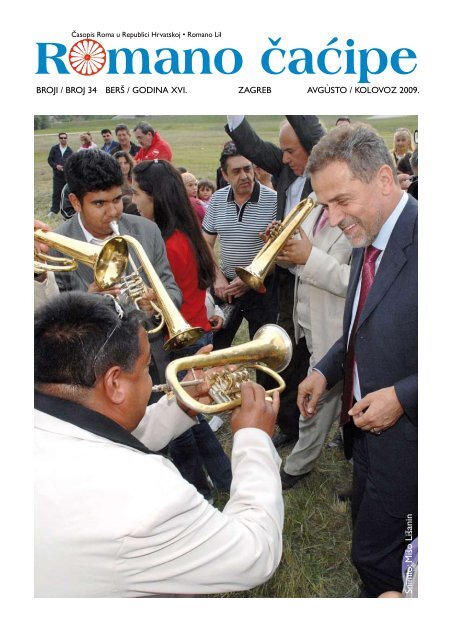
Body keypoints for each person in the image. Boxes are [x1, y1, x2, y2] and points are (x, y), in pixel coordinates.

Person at [34, 292, 283, 597]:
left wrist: (182, 406)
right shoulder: (151, 500)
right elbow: (256, 553)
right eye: (145, 368)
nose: (152, 382)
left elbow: (104, 442)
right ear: (114, 384)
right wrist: (254, 439)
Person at [297, 123, 417, 597]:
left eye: (342, 200)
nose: (332, 217)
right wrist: (325, 370)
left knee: (392, 552)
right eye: (324, 205)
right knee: (371, 528)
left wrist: (404, 397)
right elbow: (358, 327)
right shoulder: (367, 233)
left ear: (385, 180)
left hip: (412, 441)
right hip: (366, 432)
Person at [132, 159, 232, 501]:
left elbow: (165, 298)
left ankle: (197, 492)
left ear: (154, 197)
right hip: (196, 330)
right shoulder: (183, 231)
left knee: (179, 427)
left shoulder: (166, 243)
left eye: (136, 192)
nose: (132, 200)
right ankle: (225, 480)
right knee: (194, 418)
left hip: (181, 341)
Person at [225, 115, 325, 447]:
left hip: (318, 278)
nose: (283, 158)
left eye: (290, 151)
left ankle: (315, 420)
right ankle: (289, 425)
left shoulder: (325, 170)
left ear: (312, 148)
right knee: (285, 350)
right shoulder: (284, 170)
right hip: (285, 279)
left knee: (314, 352)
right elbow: (251, 144)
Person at [49, 149, 181, 383]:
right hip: (93, 366)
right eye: (99, 203)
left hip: (149, 356)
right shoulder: (57, 244)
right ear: (75, 202)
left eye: (118, 199)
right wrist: (86, 301)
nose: (113, 212)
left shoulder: (147, 231)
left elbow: (170, 287)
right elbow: (53, 321)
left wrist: (157, 302)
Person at [276, 196, 352, 488]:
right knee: (330, 398)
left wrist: (308, 257)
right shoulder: (312, 201)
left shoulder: (360, 209)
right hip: (310, 324)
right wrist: (287, 253)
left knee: (319, 400)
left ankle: (298, 466)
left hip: (336, 329)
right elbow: (304, 266)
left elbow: (357, 279)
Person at [202, 141, 278, 380]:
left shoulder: (274, 200)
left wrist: (253, 279)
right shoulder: (216, 200)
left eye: (248, 168)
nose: (245, 175)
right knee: (215, 347)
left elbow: (279, 250)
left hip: (262, 288)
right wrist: (218, 279)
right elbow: (206, 243)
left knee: (264, 351)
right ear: (224, 175)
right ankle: (215, 396)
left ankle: (266, 400)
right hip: (227, 288)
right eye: (236, 171)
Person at [47, 132, 73, 216]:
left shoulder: (70, 150)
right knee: (56, 193)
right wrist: (56, 166)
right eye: (61, 138)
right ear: (59, 139)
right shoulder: (54, 149)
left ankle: (67, 209)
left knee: (67, 193)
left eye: (65, 138)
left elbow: (71, 163)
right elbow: (50, 160)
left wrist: (65, 168)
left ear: (67, 138)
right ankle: (54, 210)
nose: (63, 139)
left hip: (66, 176)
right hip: (57, 176)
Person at [112, 150, 139, 215]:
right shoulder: (114, 182)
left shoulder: (136, 178)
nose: (123, 166)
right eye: (120, 164)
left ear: (130, 164)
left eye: (126, 163)